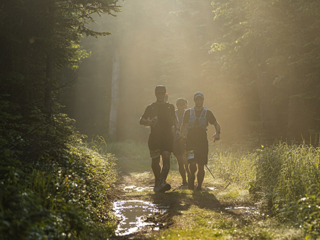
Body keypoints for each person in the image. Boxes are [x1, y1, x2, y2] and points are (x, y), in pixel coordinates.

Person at [139, 85, 178, 192]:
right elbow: (141, 120)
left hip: (167, 136)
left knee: (166, 157)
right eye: (158, 93)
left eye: (162, 93)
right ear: (155, 94)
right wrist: (149, 122)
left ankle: (162, 181)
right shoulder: (151, 107)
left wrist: (178, 129)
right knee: (155, 161)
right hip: (155, 137)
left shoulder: (170, 107)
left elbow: (175, 120)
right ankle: (157, 181)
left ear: (165, 94)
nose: (160, 95)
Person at [181, 91, 221, 191]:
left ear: (203, 100)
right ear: (194, 100)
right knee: (192, 163)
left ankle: (199, 186)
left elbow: (216, 124)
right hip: (190, 141)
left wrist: (217, 133)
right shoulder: (188, 112)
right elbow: (184, 125)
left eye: (200, 99)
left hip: (202, 141)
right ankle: (191, 176)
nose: (199, 101)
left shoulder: (207, 113)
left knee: (201, 165)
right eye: (197, 99)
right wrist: (183, 135)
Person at [173, 98, 189, 187]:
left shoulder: (189, 113)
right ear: (177, 105)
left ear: (186, 106)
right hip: (176, 140)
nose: (181, 107)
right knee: (180, 161)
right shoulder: (173, 114)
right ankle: (184, 180)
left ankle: (190, 177)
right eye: (180, 105)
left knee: (186, 161)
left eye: (183, 105)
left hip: (186, 139)